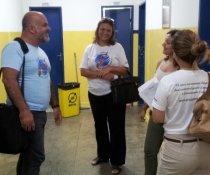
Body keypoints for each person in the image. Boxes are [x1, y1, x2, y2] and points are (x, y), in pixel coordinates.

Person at [1, 11, 62, 175]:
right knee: (36, 156)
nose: (49, 28)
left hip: (39, 114)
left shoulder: (40, 52)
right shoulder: (15, 47)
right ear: (32, 28)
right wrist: (24, 110)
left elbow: (45, 79)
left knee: (28, 156)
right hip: (28, 113)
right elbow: (8, 79)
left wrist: (55, 105)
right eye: (45, 25)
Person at [152, 29, 210, 175]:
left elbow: (157, 118)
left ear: (175, 53)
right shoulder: (208, 77)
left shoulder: (167, 81)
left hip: (177, 150)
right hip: (206, 146)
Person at [80, 18, 129, 175]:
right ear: (98, 30)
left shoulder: (117, 47)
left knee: (116, 128)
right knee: (99, 126)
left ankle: (116, 161)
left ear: (112, 32)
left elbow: (125, 70)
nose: (105, 32)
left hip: (113, 94)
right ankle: (103, 155)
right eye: (103, 29)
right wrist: (100, 74)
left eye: (108, 30)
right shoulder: (90, 48)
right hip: (94, 94)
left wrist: (110, 69)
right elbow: (83, 70)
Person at [138, 29, 179, 175]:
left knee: (173, 156)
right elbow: (154, 90)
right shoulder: (160, 63)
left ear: (177, 45)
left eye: (167, 42)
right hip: (157, 115)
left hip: (175, 117)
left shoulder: (183, 67)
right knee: (149, 150)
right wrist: (144, 108)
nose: (163, 44)